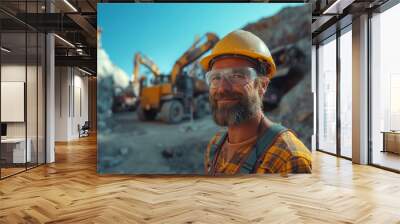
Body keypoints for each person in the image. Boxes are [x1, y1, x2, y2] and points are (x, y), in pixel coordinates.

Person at [199, 30, 312, 175]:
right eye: (215, 78)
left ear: (262, 86)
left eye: (237, 75)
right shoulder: (214, 145)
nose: (222, 88)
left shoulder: (289, 159)